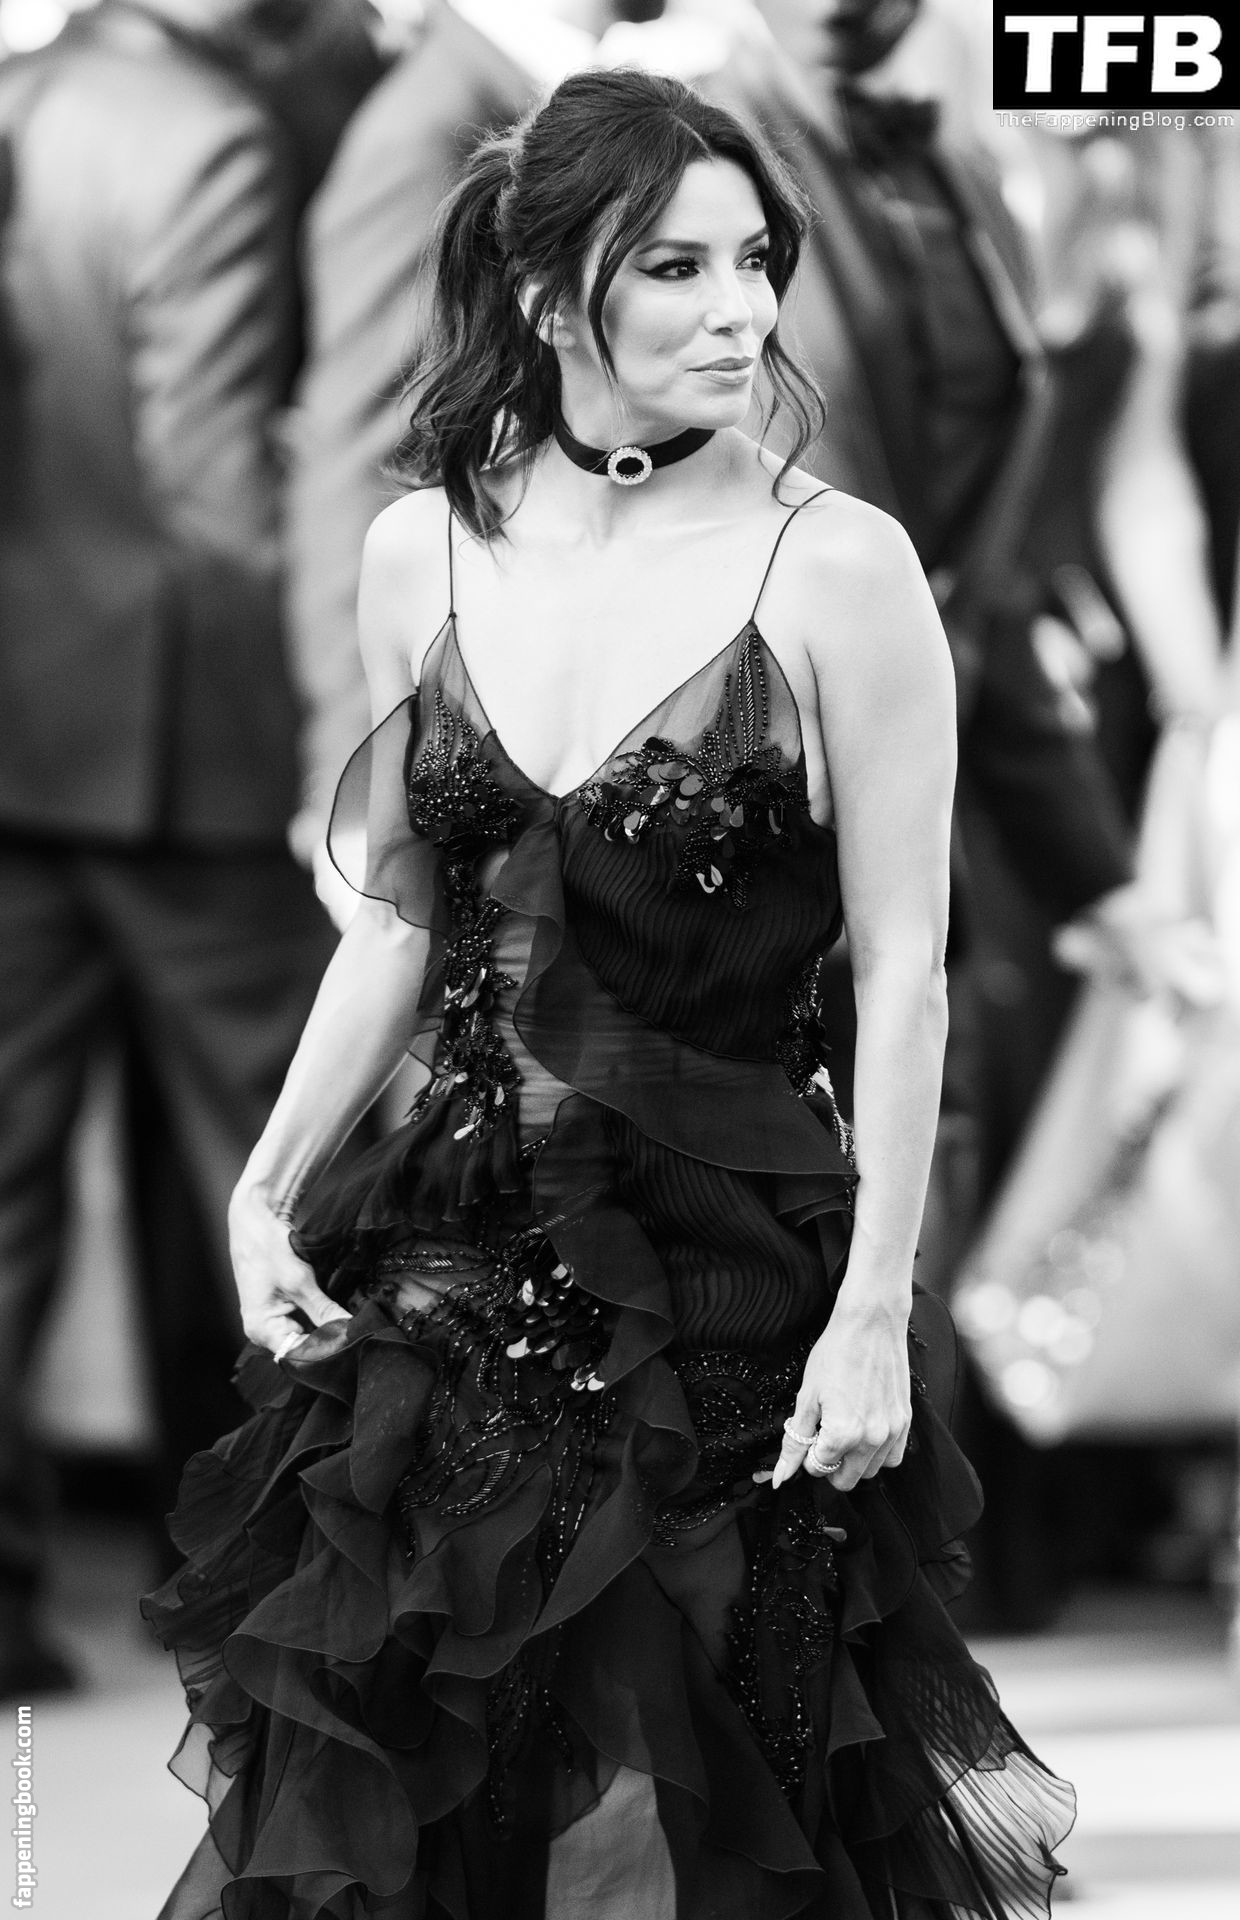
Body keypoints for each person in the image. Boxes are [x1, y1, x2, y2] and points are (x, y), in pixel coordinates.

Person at [145, 69, 1073, 1919]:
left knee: (714, 1823)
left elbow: (905, 972)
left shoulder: (841, 564)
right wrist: (264, 1184)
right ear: (550, 293)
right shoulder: (420, 548)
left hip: (736, 1282)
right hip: (449, 1269)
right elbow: (396, 926)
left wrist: (877, 1312)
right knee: (433, 1807)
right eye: (678, 267)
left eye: (757, 261)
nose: (742, 311)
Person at [0, 0, 336, 1698]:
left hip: (17, 727)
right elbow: (206, 476)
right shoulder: (206, 130)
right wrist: (323, 708)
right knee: (280, 1163)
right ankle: (292, 1594)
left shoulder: (20, 95)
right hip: (176, 742)